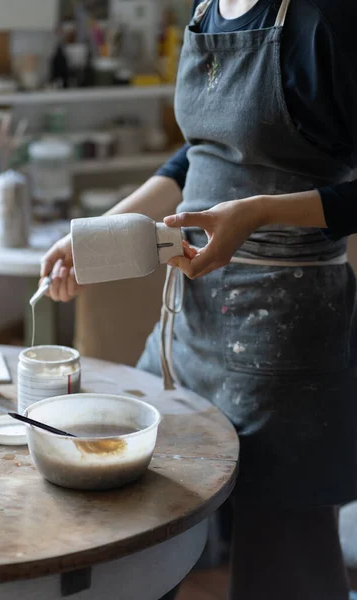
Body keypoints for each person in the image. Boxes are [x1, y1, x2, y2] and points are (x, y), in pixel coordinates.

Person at [41, 0, 357, 598]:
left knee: (283, 562)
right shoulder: (204, 9)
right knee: (146, 510)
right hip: (191, 327)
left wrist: (261, 211)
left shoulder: (326, 21)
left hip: (285, 342)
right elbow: (199, 156)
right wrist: (95, 236)